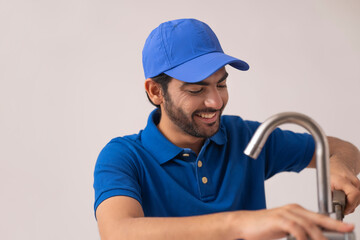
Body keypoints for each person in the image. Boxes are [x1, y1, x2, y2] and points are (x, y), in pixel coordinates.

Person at [93, 18, 360, 239]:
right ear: (155, 92)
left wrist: (338, 165)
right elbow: (118, 232)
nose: (216, 102)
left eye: (221, 84)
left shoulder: (244, 137)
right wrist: (243, 223)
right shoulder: (124, 157)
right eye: (196, 89)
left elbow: (342, 150)